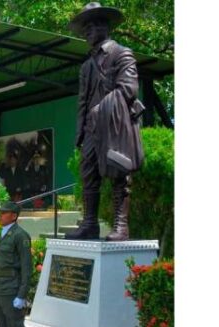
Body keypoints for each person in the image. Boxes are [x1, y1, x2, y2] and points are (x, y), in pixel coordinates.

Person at [66, 2, 145, 241]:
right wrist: (80, 134)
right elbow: (82, 101)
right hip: (92, 129)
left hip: (115, 124)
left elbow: (128, 89)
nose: (86, 32)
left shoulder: (122, 54)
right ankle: (90, 224)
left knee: (120, 173)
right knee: (88, 174)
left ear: (104, 27)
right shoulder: (86, 66)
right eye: (84, 29)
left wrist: (101, 110)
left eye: (91, 27)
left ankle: (121, 226)